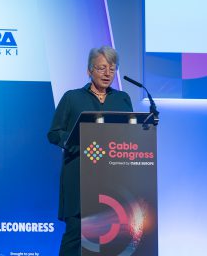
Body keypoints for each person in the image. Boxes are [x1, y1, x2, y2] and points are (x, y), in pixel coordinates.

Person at [47, 46, 133, 255]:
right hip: (79, 174)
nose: (107, 74)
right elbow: (54, 133)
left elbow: (132, 133)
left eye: (112, 69)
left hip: (113, 177)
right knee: (76, 233)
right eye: (102, 68)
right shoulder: (72, 97)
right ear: (89, 70)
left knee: (112, 234)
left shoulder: (122, 99)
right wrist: (73, 140)